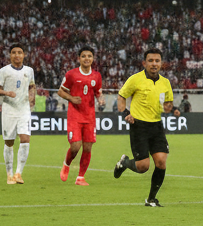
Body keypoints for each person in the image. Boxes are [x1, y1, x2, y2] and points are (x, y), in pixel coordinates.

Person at [113, 49, 181, 207]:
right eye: (150, 61)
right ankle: (124, 163)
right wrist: (125, 112)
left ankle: (151, 199)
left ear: (161, 63)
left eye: (157, 61)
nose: (154, 64)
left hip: (156, 126)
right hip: (139, 126)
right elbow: (122, 96)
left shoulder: (165, 82)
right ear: (144, 63)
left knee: (161, 162)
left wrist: (173, 108)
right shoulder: (135, 79)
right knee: (143, 166)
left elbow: (167, 104)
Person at [57, 47, 103, 186]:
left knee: (88, 148)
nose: (87, 58)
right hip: (75, 116)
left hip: (89, 117)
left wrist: (101, 99)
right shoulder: (71, 75)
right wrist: (71, 98)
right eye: (84, 56)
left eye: (89, 56)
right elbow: (60, 92)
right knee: (76, 146)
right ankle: (67, 164)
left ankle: (80, 177)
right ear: (79, 59)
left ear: (93, 59)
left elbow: (98, 92)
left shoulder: (96, 76)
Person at [0, 45, 36, 185]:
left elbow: (32, 85)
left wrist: (32, 96)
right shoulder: (4, 71)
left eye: (20, 52)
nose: (17, 55)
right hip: (9, 109)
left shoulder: (29, 70)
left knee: (25, 139)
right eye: (14, 53)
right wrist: (7, 93)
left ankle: (18, 174)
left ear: (24, 55)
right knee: (9, 142)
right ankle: (9, 174)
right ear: (10, 55)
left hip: (24, 109)